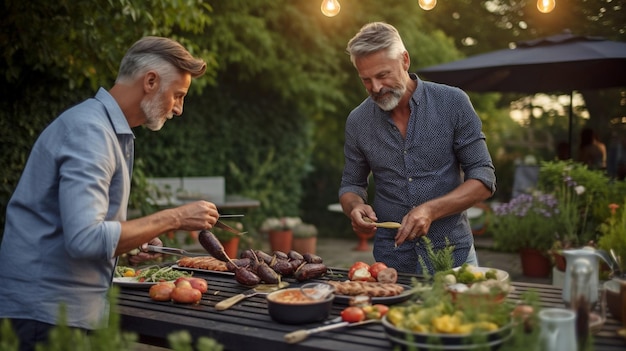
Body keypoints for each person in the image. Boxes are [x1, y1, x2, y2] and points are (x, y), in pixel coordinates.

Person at [0, 37, 219, 350]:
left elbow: (77, 229)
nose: (179, 109)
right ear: (151, 81)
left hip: (56, 313)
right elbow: (85, 240)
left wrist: (130, 242)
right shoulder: (90, 132)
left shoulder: (107, 131)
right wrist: (176, 217)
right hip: (43, 316)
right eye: (178, 95)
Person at [338, 22, 496, 275]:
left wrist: (431, 210)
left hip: (453, 256)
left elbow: (484, 178)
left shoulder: (453, 102)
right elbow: (351, 185)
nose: (375, 88)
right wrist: (354, 207)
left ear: (405, 60)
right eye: (366, 80)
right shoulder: (357, 121)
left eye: (383, 75)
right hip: (392, 263)